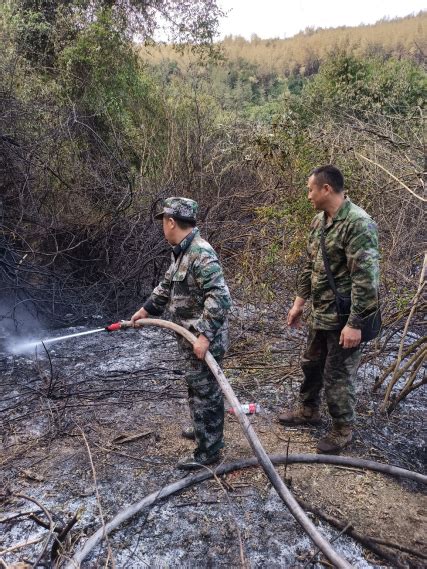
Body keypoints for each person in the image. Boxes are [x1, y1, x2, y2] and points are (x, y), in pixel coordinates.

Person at [279, 165, 380, 453]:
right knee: (311, 364)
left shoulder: (359, 224)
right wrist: (299, 303)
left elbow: (366, 280)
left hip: (345, 319)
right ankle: (308, 410)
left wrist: (356, 323)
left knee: (338, 374)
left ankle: (342, 429)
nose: (308, 194)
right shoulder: (319, 222)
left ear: (326, 189)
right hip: (320, 314)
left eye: (310, 189)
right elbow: (309, 265)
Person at [131, 197, 232, 470]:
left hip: (203, 339)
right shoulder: (180, 252)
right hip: (189, 337)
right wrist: (146, 310)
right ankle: (203, 429)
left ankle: (209, 452)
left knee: (206, 392)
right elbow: (166, 286)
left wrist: (204, 336)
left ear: (172, 222)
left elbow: (220, 297)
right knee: (196, 387)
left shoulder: (200, 253)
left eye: (164, 221)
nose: (163, 226)